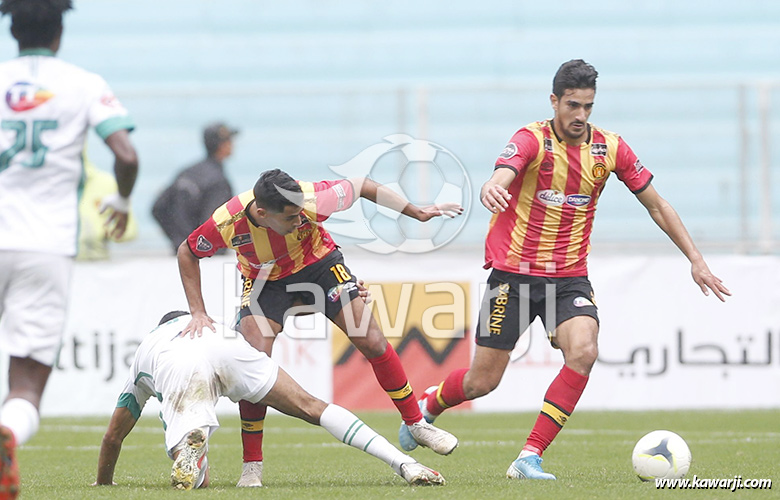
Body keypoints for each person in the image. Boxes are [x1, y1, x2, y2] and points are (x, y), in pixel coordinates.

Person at [403, 59, 731, 480]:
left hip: (568, 278)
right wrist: (491, 187)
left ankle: (529, 456)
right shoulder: (531, 139)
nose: (580, 115)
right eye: (573, 105)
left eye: (588, 106)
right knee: (481, 383)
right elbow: (503, 173)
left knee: (584, 351)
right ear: (554, 101)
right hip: (514, 276)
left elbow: (657, 205)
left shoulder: (610, 148)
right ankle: (429, 405)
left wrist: (696, 259)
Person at [177, 168, 463, 487]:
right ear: (262, 213)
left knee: (370, 338)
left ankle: (416, 423)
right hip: (264, 281)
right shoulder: (226, 222)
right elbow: (187, 252)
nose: (299, 220)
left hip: (320, 266)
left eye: (301, 214)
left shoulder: (313, 198)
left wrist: (415, 212)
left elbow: (361, 185)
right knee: (255, 358)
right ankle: (252, 465)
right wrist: (198, 312)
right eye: (290, 218)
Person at [0, 1, 138, 497]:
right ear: (59, 32)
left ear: (12, 30)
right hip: (45, 245)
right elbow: (126, 155)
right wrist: (122, 200)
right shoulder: (83, 84)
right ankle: (8, 433)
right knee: (25, 386)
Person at [94, 312, 445, 489]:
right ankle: (404, 463)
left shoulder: (148, 347)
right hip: (225, 343)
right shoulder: (202, 322)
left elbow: (113, 437)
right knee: (312, 406)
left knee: (194, 470)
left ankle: (190, 450)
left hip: (178, 365)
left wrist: (104, 484)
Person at [152, 121, 238, 253]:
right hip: (205, 257)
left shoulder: (187, 172)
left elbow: (158, 208)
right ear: (222, 145)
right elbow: (214, 224)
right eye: (229, 141)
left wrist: (179, 240)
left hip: (182, 252)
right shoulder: (218, 180)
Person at [77, 153, 138, 261]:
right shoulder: (51, 184)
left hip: (98, 261)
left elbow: (130, 231)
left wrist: (103, 231)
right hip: (58, 261)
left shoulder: (106, 182)